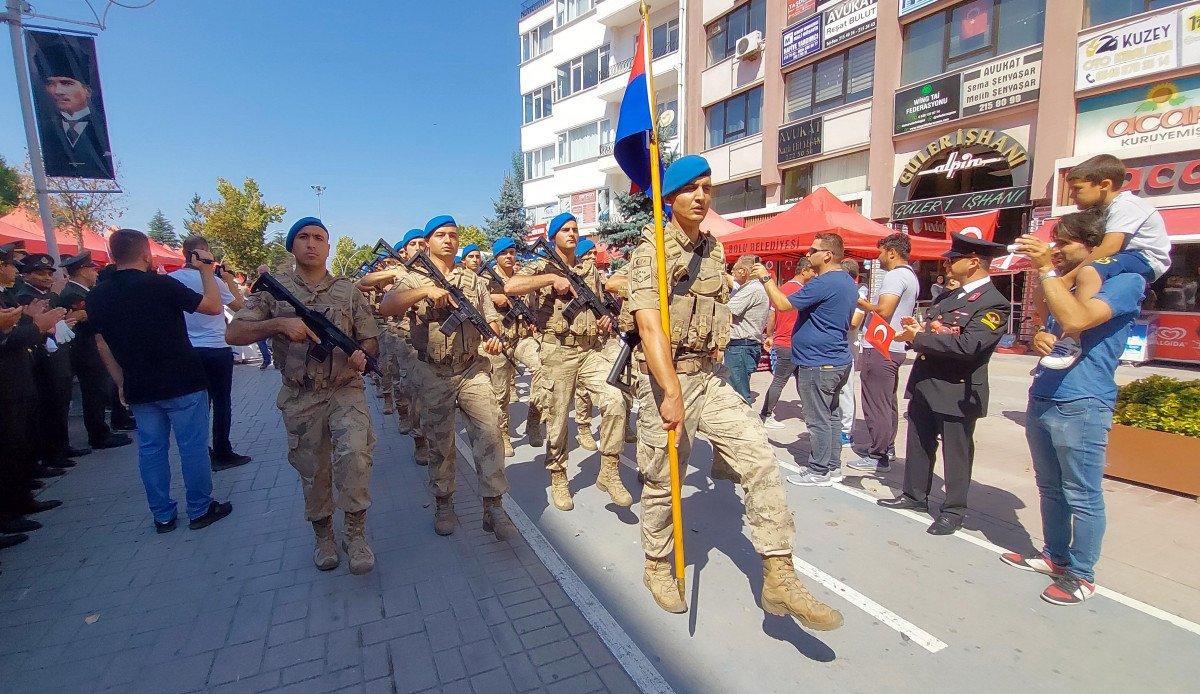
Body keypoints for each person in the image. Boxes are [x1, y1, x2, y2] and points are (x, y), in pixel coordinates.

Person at [625, 155, 842, 630]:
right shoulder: (650, 251)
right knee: (663, 479)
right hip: (667, 379)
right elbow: (649, 325)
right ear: (670, 197)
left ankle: (779, 575)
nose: (701, 196)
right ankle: (657, 564)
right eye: (691, 188)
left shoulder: (714, 250)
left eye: (707, 188)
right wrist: (670, 391)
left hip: (709, 377)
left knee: (760, 456)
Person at [1003, 212, 1144, 605]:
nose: (1058, 251)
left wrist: (1047, 269)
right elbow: (1047, 318)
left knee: (1081, 493)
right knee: (1050, 487)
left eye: (1065, 243)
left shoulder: (1125, 281)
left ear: (1094, 245)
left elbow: (1076, 319)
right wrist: (1041, 335)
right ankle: (1055, 556)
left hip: (1082, 400)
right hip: (1045, 392)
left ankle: (1082, 575)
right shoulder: (1064, 279)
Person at [228, 217, 380, 572]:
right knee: (313, 469)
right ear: (292, 246)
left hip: (345, 389)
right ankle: (323, 535)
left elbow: (370, 340)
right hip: (301, 396)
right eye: (303, 237)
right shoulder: (273, 290)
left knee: (355, 455)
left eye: (319, 238)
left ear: (328, 247)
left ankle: (355, 534)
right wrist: (279, 324)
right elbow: (233, 334)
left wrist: (362, 355)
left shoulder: (348, 291)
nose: (312, 243)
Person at [380, 215, 518, 540]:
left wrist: (494, 337)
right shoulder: (413, 278)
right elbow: (387, 306)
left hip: (471, 369)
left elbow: (491, 319)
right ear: (428, 242)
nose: (448, 240)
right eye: (441, 235)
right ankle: (444, 503)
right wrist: (425, 291)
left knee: (490, 432)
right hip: (433, 372)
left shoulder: (474, 281)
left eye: (453, 235)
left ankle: (494, 505)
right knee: (441, 443)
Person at [87, 229, 232, 532]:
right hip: (182, 379)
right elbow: (212, 307)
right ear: (146, 253)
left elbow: (102, 344)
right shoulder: (161, 285)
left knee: (151, 449)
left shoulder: (97, 296)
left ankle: (163, 515)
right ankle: (200, 508)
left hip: (139, 384)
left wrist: (121, 381)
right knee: (192, 446)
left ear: (113, 255)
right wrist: (206, 270)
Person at [880, 233, 1009, 535]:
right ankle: (914, 495)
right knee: (918, 442)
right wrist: (915, 332)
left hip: (957, 389)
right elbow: (933, 331)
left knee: (956, 453)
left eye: (955, 259)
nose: (948, 264)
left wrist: (920, 337)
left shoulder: (993, 303)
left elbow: (969, 345)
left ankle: (953, 510)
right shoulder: (948, 297)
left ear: (973, 263)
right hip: (927, 381)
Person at [505, 213, 632, 512]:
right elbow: (511, 286)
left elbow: (601, 307)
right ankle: (559, 475)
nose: (572, 234)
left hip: (590, 351)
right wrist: (552, 279)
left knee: (616, 399)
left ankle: (609, 469)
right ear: (553, 237)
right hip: (557, 352)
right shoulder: (542, 265)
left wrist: (604, 319)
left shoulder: (589, 269)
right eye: (565, 230)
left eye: (575, 229)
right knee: (558, 419)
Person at [1042, 154, 1170, 369]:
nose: (1072, 195)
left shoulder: (1126, 205)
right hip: (1127, 257)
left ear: (1104, 185)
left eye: (1077, 189)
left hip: (1145, 258)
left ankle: (1072, 337)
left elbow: (1110, 247)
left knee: (1089, 272)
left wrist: (1068, 278)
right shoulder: (1107, 209)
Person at [758, 234, 859, 486]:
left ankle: (819, 470)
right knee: (831, 415)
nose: (807, 253)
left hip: (819, 361)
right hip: (835, 358)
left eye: (813, 250)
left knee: (818, 419)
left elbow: (783, 304)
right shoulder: (846, 280)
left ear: (827, 255)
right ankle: (832, 466)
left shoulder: (825, 282)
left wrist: (766, 278)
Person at [170, 236, 252, 471]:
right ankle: (223, 451)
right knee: (222, 402)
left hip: (187, 349)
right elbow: (240, 308)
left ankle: (200, 452)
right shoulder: (214, 282)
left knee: (196, 404)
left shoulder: (171, 280)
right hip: (216, 347)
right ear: (205, 252)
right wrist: (228, 280)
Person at [0, 242, 64, 546]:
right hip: (7, 384)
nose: (14, 269)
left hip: (18, 380)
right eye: (9, 264)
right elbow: (9, 338)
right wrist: (37, 326)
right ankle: (8, 513)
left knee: (19, 444)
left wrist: (32, 322)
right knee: (8, 448)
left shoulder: (8, 295)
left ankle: (22, 499)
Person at [848, 233, 919, 473]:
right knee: (886, 402)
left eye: (881, 253)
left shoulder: (895, 276)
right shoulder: (910, 275)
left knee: (876, 403)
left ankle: (878, 454)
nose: (878, 258)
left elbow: (884, 310)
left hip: (880, 346)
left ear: (892, 252)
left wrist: (863, 304)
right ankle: (886, 448)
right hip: (892, 347)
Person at [16, 253, 88, 468]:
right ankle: (51, 452)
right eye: (40, 273)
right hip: (43, 359)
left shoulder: (47, 294)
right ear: (27, 275)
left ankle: (62, 446)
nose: (47, 278)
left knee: (61, 403)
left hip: (59, 354)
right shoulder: (26, 295)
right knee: (49, 406)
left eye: (49, 273)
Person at [58, 252, 132, 451]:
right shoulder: (73, 294)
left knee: (98, 390)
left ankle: (101, 431)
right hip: (85, 348)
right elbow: (88, 320)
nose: (95, 273)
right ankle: (98, 434)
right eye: (92, 269)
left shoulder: (83, 291)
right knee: (94, 391)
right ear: (82, 271)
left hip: (90, 347)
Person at [484, 235, 543, 457]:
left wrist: (534, 321)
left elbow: (533, 305)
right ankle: (503, 434)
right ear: (496, 257)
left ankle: (534, 420)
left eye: (512, 252)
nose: (509, 256)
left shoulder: (522, 278)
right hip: (500, 341)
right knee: (501, 394)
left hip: (523, 338)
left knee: (543, 369)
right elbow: (474, 302)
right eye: (503, 253)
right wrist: (494, 298)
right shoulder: (485, 279)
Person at [30, 35, 114, 179]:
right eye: (51, 83)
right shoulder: (47, 130)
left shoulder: (100, 129)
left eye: (67, 83)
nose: (57, 91)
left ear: (87, 90)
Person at [759, 258, 815, 428]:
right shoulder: (804, 291)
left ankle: (810, 414)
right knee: (785, 381)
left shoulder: (781, 289)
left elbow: (771, 315)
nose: (815, 274)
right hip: (793, 343)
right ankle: (765, 415)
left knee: (800, 381)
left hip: (783, 341)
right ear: (804, 271)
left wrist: (770, 335)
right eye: (812, 270)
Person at [724, 255, 770, 405]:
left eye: (734, 269)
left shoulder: (751, 289)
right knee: (739, 389)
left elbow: (726, 311)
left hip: (740, 347)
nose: (732, 273)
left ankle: (746, 417)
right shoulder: (754, 288)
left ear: (743, 271)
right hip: (745, 346)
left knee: (739, 394)